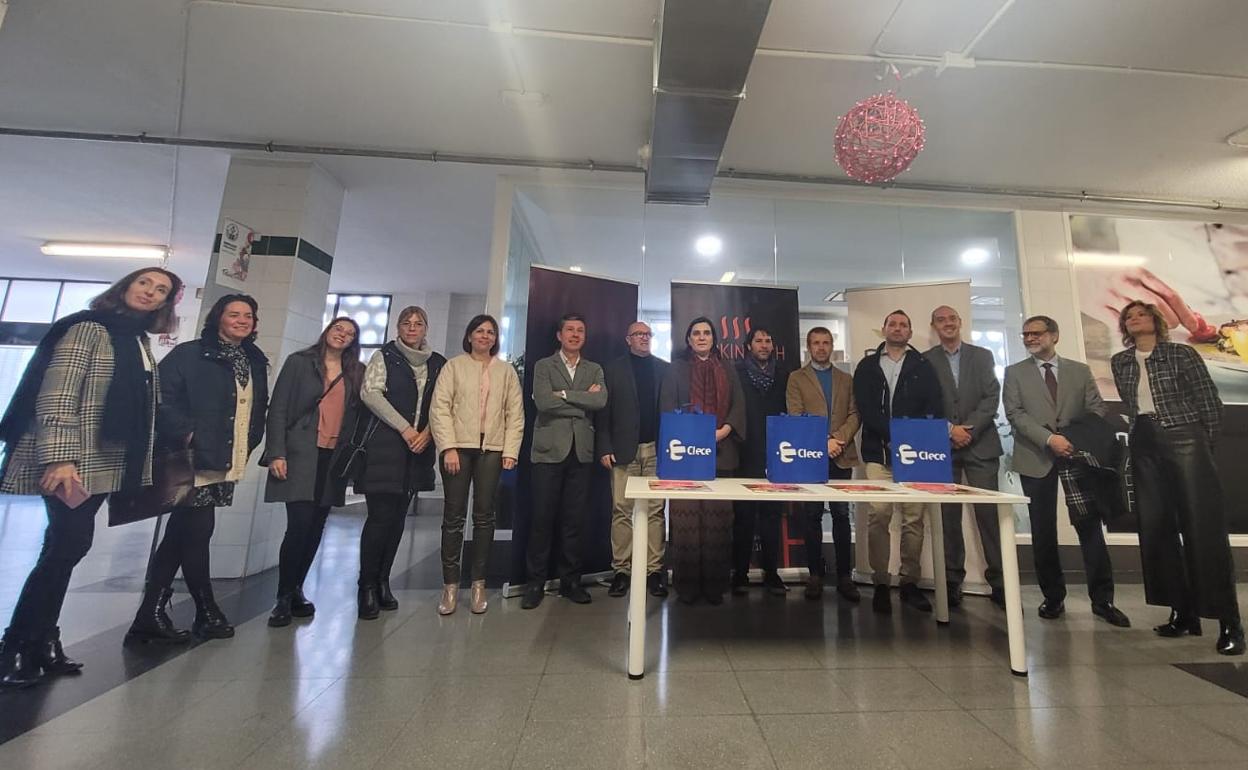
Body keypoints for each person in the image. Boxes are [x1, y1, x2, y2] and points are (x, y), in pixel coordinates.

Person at [0, 268, 180, 689]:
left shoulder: (135, 339)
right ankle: (16, 647)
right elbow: (58, 395)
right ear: (125, 287)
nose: (150, 293)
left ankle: (43, 639)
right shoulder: (88, 329)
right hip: (71, 462)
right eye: (144, 284)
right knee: (65, 547)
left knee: (68, 546)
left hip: (103, 462)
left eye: (161, 291)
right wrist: (60, 459)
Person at [128, 294, 269, 644]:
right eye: (233, 314)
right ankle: (206, 610)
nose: (241, 320)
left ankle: (150, 612)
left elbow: (254, 407)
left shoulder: (252, 358)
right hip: (192, 458)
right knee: (197, 529)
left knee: (182, 534)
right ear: (217, 317)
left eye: (248, 315)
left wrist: (248, 443)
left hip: (225, 458)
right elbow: (159, 395)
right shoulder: (190, 354)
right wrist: (187, 432)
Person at [1110, 301, 1244, 654]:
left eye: (1140, 314)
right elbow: (1131, 404)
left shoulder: (1180, 354)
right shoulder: (1121, 361)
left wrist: (1204, 444)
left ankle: (1230, 622)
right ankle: (1183, 612)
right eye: (1128, 317)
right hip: (1143, 440)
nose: (1134, 319)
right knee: (1156, 528)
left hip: (1185, 435)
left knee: (1203, 529)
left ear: (1156, 321)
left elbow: (1208, 400)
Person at [1003, 315, 1130, 627]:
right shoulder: (1014, 373)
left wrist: (1069, 439)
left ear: (1054, 335)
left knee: (1089, 526)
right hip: (1036, 456)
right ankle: (1053, 597)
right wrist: (1049, 439)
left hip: (1078, 456)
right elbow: (1015, 414)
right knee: (1042, 529)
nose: (1030, 338)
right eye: (1025, 334)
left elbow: (1097, 409)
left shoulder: (1080, 370)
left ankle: (1103, 600)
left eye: (1036, 333)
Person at [263, 317, 364, 626]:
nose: (342, 336)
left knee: (317, 524)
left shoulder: (355, 372)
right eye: (338, 329)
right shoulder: (300, 363)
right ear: (327, 331)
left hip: (333, 457)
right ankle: (282, 596)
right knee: (299, 524)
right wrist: (276, 452)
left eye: (349, 334)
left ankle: (297, 589)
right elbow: (278, 408)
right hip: (301, 451)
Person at [352, 306, 446, 620]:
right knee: (379, 518)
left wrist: (428, 433)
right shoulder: (385, 356)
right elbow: (371, 394)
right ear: (398, 326)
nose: (412, 327)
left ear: (426, 328)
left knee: (397, 521)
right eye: (406, 323)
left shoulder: (437, 363)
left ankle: (382, 581)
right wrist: (405, 428)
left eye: (418, 323)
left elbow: (444, 403)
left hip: (418, 451)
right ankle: (365, 585)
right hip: (386, 447)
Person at [429, 314, 523, 615]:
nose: (485, 336)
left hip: (492, 450)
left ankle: (478, 583)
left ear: (496, 339)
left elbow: (515, 414)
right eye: (479, 331)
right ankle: (450, 586)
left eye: (491, 332)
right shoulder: (454, 366)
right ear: (469, 336)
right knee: (454, 517)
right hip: (458, 449)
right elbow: (440, 408)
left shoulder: (506, 371)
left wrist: (510, 450)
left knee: (485, 517)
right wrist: (448, 447)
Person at [852, 310, 944, 614]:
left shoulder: (922, 366)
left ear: (910, 331)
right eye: (892, 323)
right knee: (878, 515)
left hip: (915, 455)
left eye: (903, 324)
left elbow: (934, 406)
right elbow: (865, 407)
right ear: (884, 329)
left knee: (913, 518)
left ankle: (909, 582)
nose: (898, 328)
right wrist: (892, 435)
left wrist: (908, 439)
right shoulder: (867, 366)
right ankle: (880, 581)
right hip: (878, 452)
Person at [522, 313, 607, 610]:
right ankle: (535, 582)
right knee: (542, 520)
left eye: (580, 330)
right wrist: (580, 398)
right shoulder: (544, 365)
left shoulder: (594, 368)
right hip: (548, 451)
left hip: (581, 452)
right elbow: (543, 402)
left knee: (575, 521)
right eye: (569, 330)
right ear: (559, 335)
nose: (575, 334)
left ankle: (571, 581)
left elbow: (600, 402)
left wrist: (564, 395)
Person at [659, 316, 746, 605]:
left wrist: (724, 430)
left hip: (722, 453)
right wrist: (694, 435)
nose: (701, 337)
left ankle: (715, 587)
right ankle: (686, 587)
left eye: (707, 333)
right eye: (696, 333)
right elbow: (668, 408)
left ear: (714, 338)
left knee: (718, 521)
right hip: (685, 456)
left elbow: (739, 405)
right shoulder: (676, 370)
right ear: (688, 339)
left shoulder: (727, 368)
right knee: (686, 521)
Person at [925, 306, 1006, 610]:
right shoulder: (926, 360)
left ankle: (1000, 584)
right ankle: (951, 582)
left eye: (951, 319)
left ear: (960, 323)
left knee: (989, 517)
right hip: (941, 449)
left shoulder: (982, 356)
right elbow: (926, 402)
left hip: (981, 444)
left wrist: (968, 428)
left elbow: (991, 396)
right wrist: (949, 430)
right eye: (941, 320)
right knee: (947, 519)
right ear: (934, 326)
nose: (947, 324)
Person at [786, 327, 860, 602]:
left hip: (841, 454)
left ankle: (844, 576)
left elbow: (855, 413)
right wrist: (822, 442)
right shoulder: (796, 378)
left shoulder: (846, 379)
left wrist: (837, 439)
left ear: (832, 346)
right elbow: (796, 414)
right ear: (808, 347)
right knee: (811, 515)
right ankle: (814, 574)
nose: (820, 347)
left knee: (841, 515)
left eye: (825, 342)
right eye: (815, 343)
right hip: (810, 455)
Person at [597, 321, 670, 598]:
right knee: (621, 511)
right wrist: (604, 446)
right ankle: (621, 571)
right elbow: (603, 413)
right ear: (628, 339)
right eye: (638, 334)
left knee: (654, 511)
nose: (644, 338)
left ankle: (653, 571)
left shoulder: (663, 368)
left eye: (647, 334)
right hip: (622, 451)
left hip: (655, 450)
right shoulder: (612, 369)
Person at [732, 327, 791, 597]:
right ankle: (740, 574)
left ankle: (771, 573)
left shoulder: (784, 375)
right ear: (748, 346)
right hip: (744, 450)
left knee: (771, 515)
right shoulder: (737, 373)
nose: (764, 345)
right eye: (759, 340)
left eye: (768, 340)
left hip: (776, 452)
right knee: (743, 516)